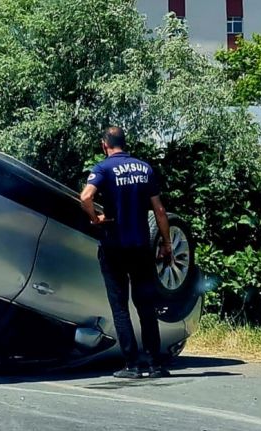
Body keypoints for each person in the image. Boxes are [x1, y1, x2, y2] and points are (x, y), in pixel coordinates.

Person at [80, 127, 172, 379]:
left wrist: (96, 218)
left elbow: (85, 196)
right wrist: (166, 243)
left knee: (120, 306)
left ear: (104, 145)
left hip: (114, 246)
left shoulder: (102, 169)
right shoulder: (145, 169)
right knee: (146, 305)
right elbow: (160, 211)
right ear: (123, 142)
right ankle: (154, 364)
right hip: (141, 246)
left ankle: (132, 365)